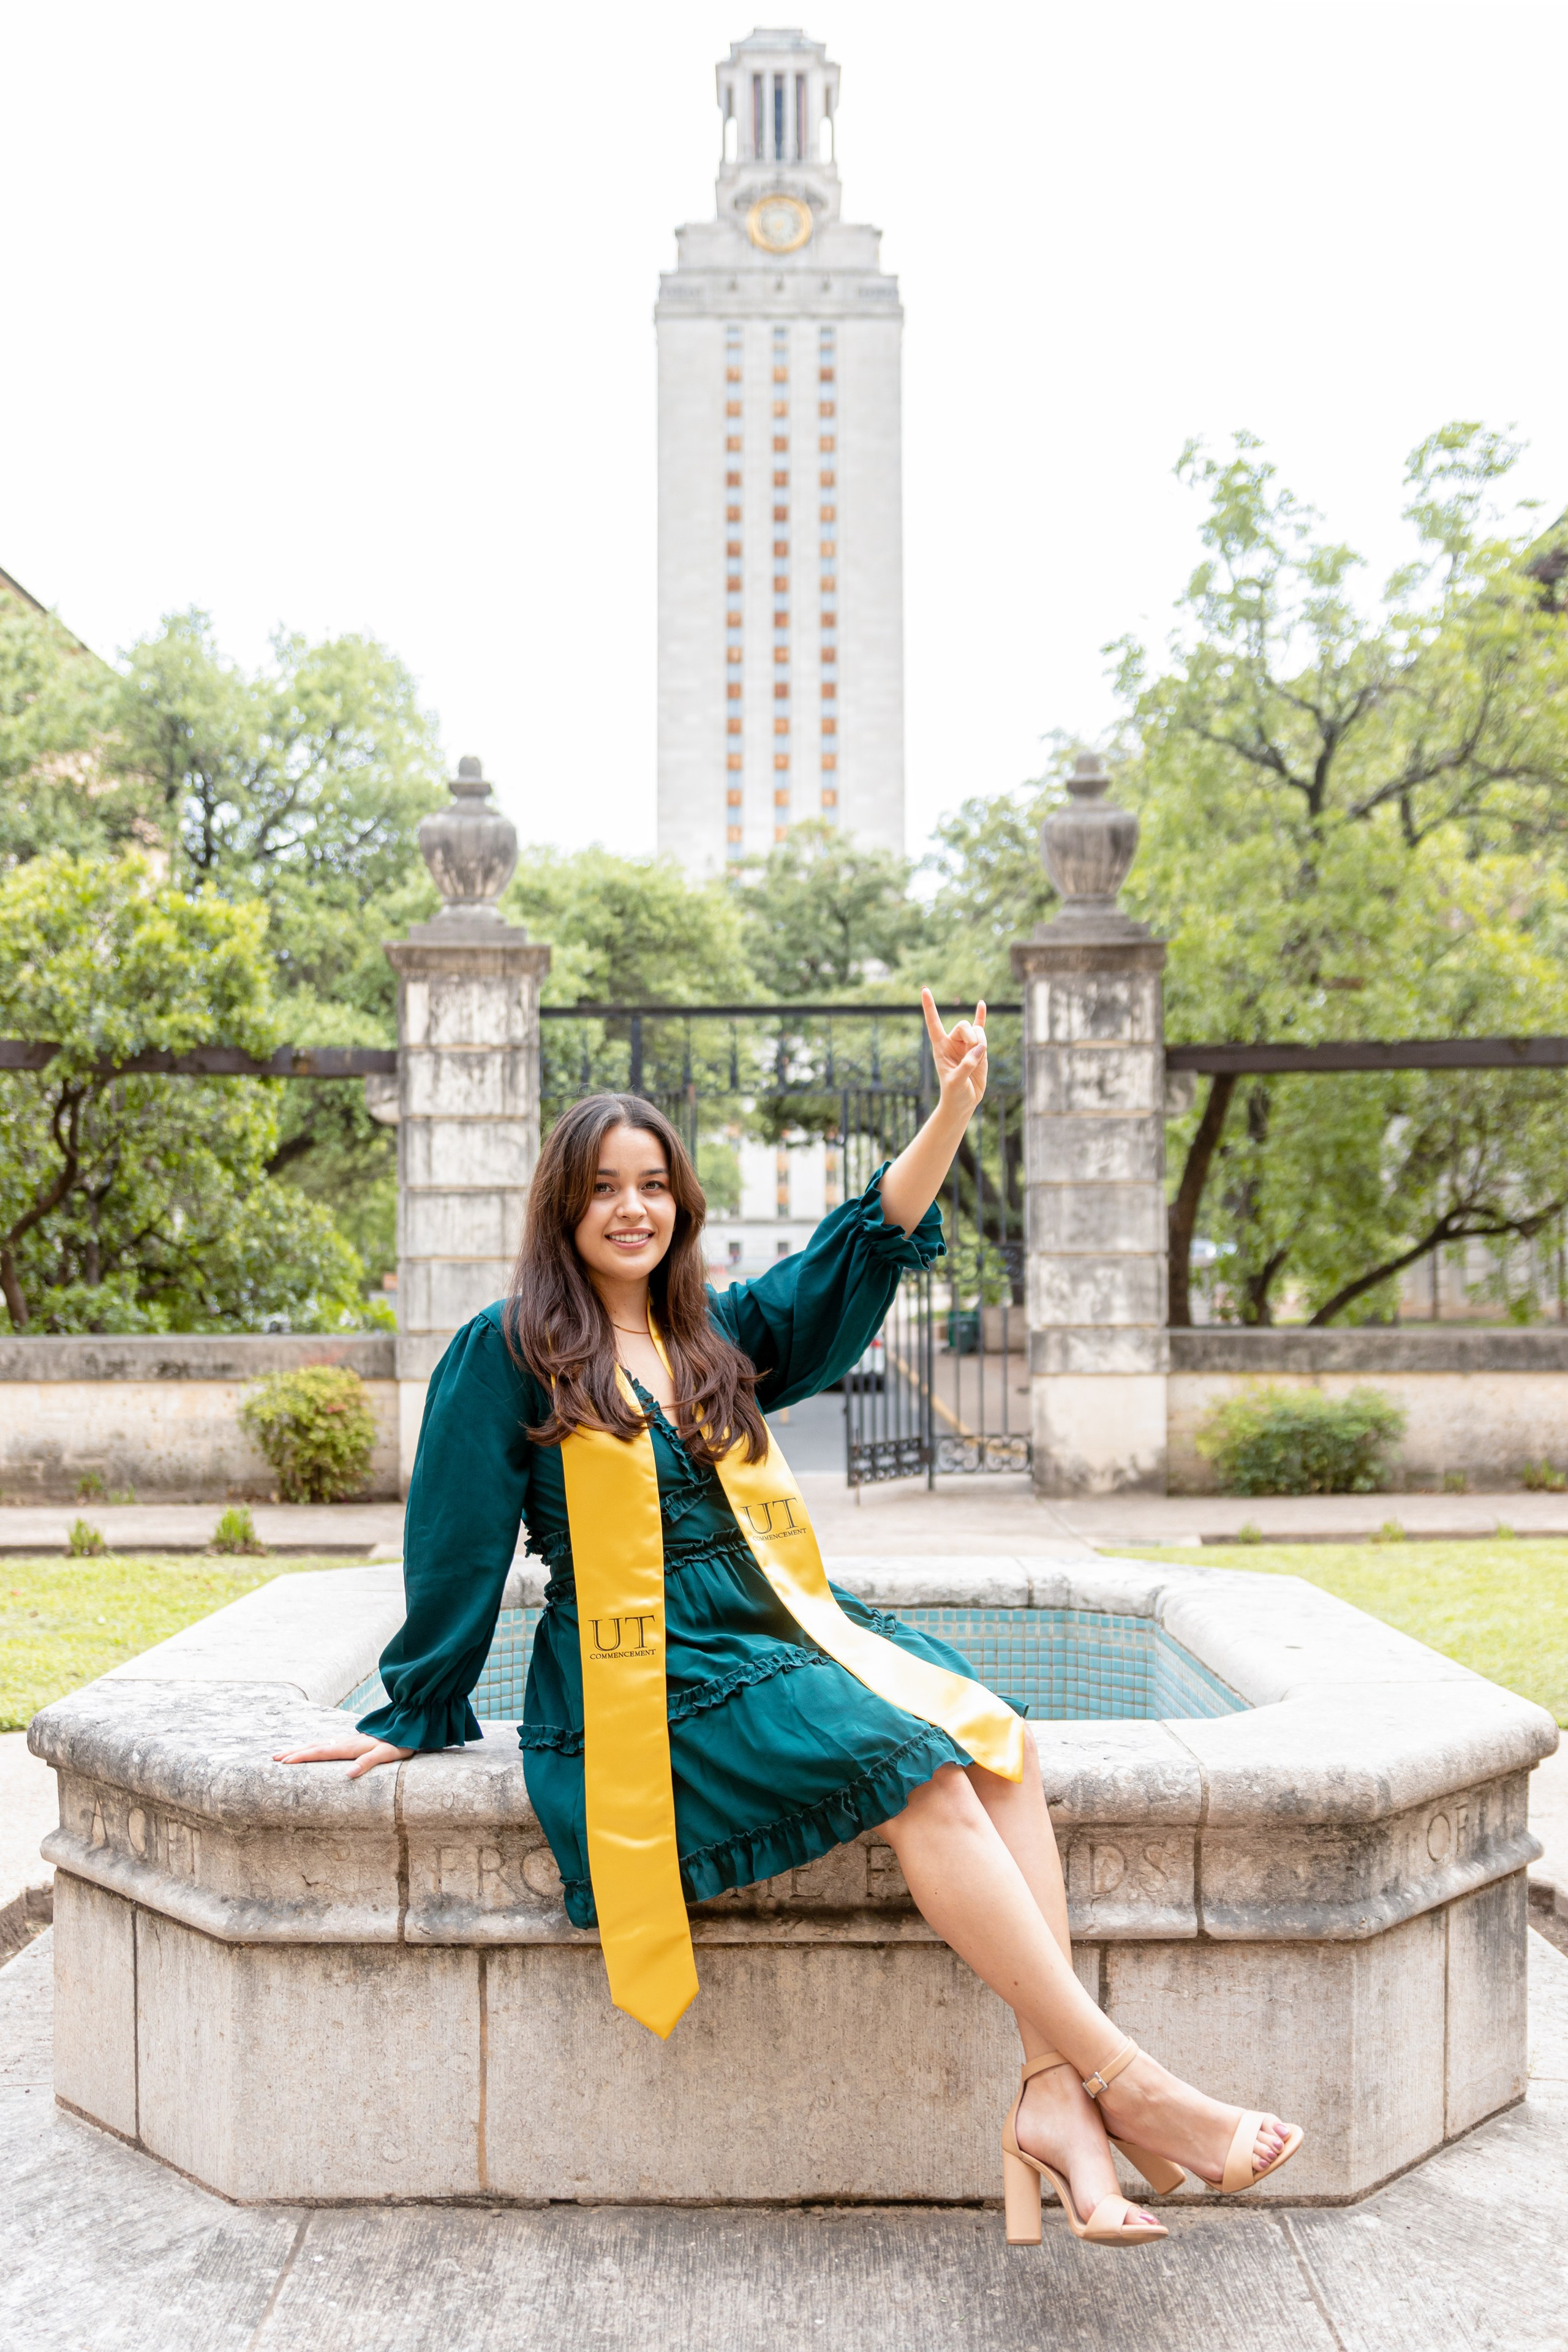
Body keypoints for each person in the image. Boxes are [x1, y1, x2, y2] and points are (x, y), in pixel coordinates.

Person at [277, 990, 1302, 2246]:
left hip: (774, 1624)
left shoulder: (711, 1333)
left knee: (1001, 1742)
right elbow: (453, 1544)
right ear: (562, 1208)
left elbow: (857, 1243)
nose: (632, 1208)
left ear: (680, 1202)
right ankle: (1133, 2085)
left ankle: (1052, 2098)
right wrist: (417, 1703)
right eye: (603, 1187)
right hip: (648, 1669)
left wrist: (953, 1109)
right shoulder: (512, 1349)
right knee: (915, 1768)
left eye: (653, 1184)